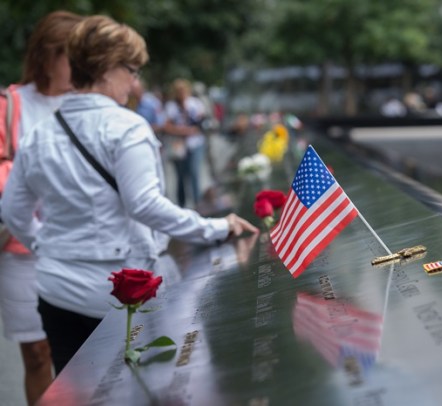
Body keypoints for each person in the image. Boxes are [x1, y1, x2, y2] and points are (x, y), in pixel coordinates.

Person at [1, 15, 258, 375]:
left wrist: (45, 246)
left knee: (73, 389)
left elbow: (13, 211)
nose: (136, 82)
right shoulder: (127, 128)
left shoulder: (39, 135)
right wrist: (215, 227)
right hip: (115, 292)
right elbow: (145, 205)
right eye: (132, 69)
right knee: (137, 385)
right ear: (106, 69)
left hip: (55, 290)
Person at [0, 10, 83, 405]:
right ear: (46, 56)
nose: (80, 66)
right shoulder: (11, 104)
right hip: (22, 248)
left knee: (81, 355)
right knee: (37, 355)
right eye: (72, 56)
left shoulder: (88, 105)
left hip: (80, 245)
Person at [163, 79, 207, 207]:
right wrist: (182, 131)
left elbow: (202, 122)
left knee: (194, 172)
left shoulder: (195, 104)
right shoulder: (171, 106)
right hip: (179, 146)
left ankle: (198, 204)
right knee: (181, 176)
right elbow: (167, 126)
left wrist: (193, 129)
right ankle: (181, 205)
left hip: (195, 143)